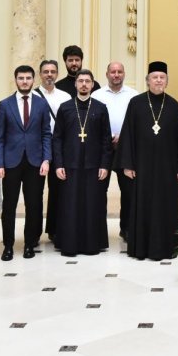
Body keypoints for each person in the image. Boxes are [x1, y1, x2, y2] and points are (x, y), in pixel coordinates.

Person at [119, 61, 178, 261]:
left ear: (167, 81)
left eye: (162, 77)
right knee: (142, 205)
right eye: (155, 77)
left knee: (165, 207)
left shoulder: (173, 105)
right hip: (141, 167)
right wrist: (127, 164)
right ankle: (140, 248)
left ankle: (166, 248)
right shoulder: (136, 103)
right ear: (148, 80)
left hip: (167, 169)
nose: (158, 80)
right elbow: (127, 134)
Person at [52, 70, 113, 256]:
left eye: (87, 81)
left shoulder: (100, 108)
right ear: (75, 84)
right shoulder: (65, 108)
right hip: (70, 165)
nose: (84, 84)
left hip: (94, 166)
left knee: (92, 204)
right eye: (81, 81)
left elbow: (106, 140)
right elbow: (57, 138)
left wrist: (105, 165)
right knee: (70, 205)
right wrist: (58, 164)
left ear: (93, 85)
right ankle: (69, 244)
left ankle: (92, 244)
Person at [0, 65, 51, 261]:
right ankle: (8, 246)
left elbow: (46, 134)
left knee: (33, 205)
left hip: (35, 162)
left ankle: (29, 244)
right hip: (11, 163)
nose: (24, 81)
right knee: (9, 206)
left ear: (33, 80)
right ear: (15, 80)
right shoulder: (5, 104)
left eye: (28, 78)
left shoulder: (41, 104)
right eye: (21, 78)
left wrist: (46, 159)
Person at [91, 62, 139, 240]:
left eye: (119, 72)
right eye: (113, 72)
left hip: (125, 149)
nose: (116, 75)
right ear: (107, 74)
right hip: (102, 148)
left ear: (124, 74)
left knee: (128, 191)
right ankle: (97, 230)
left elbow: (137, 123)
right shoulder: (96, 95)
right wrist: (110, 135)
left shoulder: (134, 95)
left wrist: (123, 137)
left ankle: (127, 229)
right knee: (98, 191)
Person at [38, 59, 71, 243]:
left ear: (57, 74)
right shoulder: (33, 95)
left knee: (57, 189)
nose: (49, 75)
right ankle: (34, 232)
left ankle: (55, 229)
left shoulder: (65, 97)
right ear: (40, 74)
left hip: (59, 147)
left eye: (52, 71)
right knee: (35, 193)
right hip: (37, 148)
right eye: (46, 71)